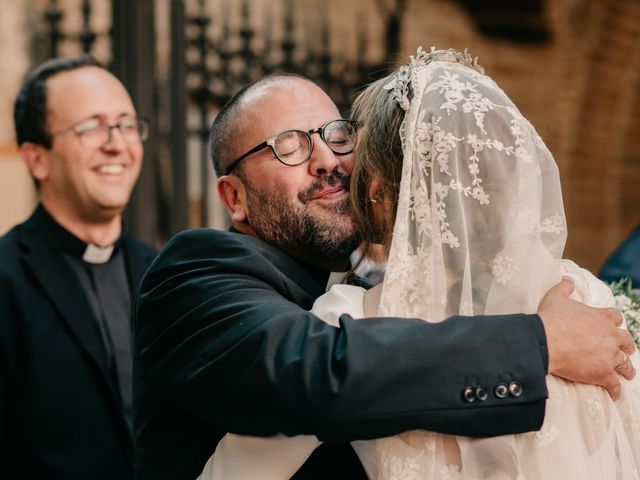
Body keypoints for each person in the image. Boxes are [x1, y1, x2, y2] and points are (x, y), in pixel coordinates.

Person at [133, 72, 635, 480]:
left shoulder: (376, 296)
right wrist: (541, 342)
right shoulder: (194, 270)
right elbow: (314, 370)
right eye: (289, 146)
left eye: (336, 135)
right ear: (234, 197)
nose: (327, 160)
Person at [0, 55, 156, 480]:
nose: (117, 144)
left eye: (127, 125)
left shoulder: (163, 273)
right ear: (36, 159)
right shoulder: (6, 278)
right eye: (90, 127)